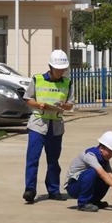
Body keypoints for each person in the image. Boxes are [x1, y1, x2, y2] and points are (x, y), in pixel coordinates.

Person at [22, 49, 74, 204]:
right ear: (50, 67)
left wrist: (63, 105)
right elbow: (27, 99)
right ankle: (30, 189)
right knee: (33, 158)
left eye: (63, 69)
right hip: (38, 124)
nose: (60, 72)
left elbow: (70, 105)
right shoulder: (37, 79)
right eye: (58, 69)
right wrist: (39, 105)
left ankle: (53, 190)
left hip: (56, 126)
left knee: (53, 160)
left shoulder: (67, 82)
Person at [65, 131, 112, 212]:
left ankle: (94, 201)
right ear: (101, 148)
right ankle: (83, 203)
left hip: (82, 182)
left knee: (107, 177)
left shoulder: (104, 158)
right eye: (110, 151)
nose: (111, 154)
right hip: (73, 186)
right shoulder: (90, 155)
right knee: (94, 172)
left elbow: (110, 174)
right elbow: (102, 174)